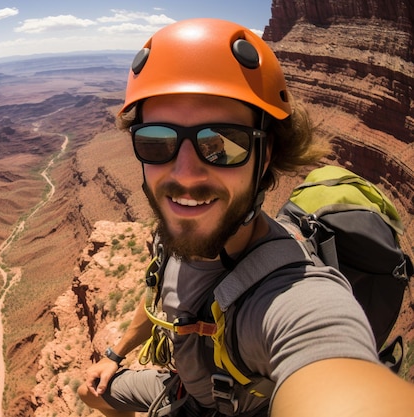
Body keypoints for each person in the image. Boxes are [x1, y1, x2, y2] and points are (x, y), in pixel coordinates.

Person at [77, 18, 414, 417]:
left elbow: (331, 365)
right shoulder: (176, 235)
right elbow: (162, 292)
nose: (184, 175)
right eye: (158, 142)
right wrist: (115, 355)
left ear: (265, 155)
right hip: (183, 388)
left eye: (222, 144)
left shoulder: (293, 296)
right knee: (90, 392)